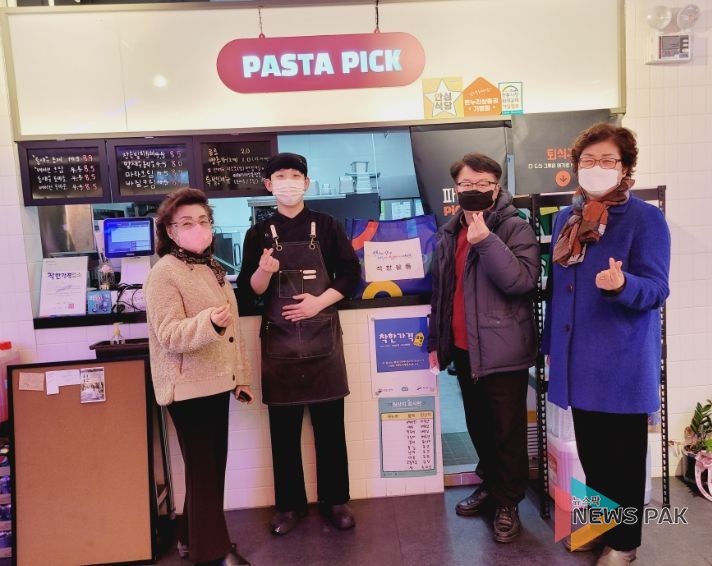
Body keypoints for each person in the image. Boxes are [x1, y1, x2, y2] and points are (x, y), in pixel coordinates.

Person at [543, 123, 670, 566]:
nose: (596, 168)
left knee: (625, 460)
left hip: (622, 362)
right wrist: (551, 347)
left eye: (607, 160)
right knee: (592, 456)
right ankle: (601, 527)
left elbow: (657, 289)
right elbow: (558, 291)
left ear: (625, 167)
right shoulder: (567, 216)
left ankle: (625, 543)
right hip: (578, 362)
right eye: (588, 160)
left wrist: (622, 285)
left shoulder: (646, 219)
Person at [236, 152, 361, 536]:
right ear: (268, 185)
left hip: (324, 340)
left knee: (330, 428)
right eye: (280, 176)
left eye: (295, 176)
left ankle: (335, 501)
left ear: (306, 183)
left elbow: (351, 274)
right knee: (284, 433)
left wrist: (318, 303)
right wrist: (263, 271)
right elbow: (250, 291)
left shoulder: (328, 225)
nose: (288, 182)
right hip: (280, 346)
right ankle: (289, 507)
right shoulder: (258, 233)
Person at [427, 153, 539, 543]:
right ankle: (491, 485)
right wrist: (436, 341)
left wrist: (487, 242)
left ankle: (509, 503)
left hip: (503, 350)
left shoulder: (514, 226)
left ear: (497, 186)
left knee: (507, 431)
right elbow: (442, 293)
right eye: (466, 184)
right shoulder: (448, 232)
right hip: (463, 349)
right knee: (478, 425)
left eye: (482, 183)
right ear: (455, 188)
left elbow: (522, 282)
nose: (473, 190)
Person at [145, 188, 254, 566]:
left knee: (207, 467)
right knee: (206, 469)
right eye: (187, 223)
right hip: (187, 386)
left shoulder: (210, 267)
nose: (198, 229)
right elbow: (168, 334)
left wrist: (240, 377)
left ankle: (190, 539)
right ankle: (213, 552)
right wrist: (208, 322)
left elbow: (232, 329)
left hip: (216, 381)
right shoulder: (164, 273)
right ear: (170, 231)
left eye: (203, 221)